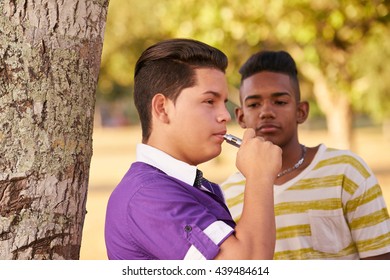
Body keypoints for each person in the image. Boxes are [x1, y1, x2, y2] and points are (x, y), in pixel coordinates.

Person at [104, 39, 282, 260]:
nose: (225, 115)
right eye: (209, 101)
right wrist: (260, 175)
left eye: (224, 102)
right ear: (162, 108)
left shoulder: (190, 186)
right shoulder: (148, 196)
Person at [221, 50, 390, 260]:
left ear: (301, 111)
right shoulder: (225, 196)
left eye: (280, 102)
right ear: (241, 116)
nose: (266, 112)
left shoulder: (346, 171)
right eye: (254, 104)